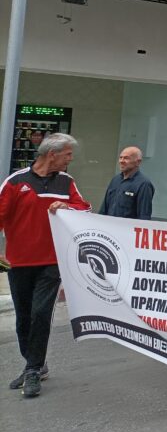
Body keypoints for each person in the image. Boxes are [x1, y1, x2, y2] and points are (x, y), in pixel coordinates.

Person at [1, 134, 91, 397]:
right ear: (52, 154)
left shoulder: (66, 182)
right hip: (19, 261)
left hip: (52, 261)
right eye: (67, 154)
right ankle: (35, 363)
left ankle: (32, 370)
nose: (70, 159)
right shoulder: (16, 182)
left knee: (41, 313)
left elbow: (84, 209)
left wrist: (67, 206)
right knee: (23, 317)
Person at [99, 145, 155, 220]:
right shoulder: (115, 180)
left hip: (127, 230)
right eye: (120, 157)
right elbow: (104, 209)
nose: (121, 161)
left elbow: (144, 217)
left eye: (126, 158)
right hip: (109, 228)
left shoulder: (144, 184)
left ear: (138, 162)